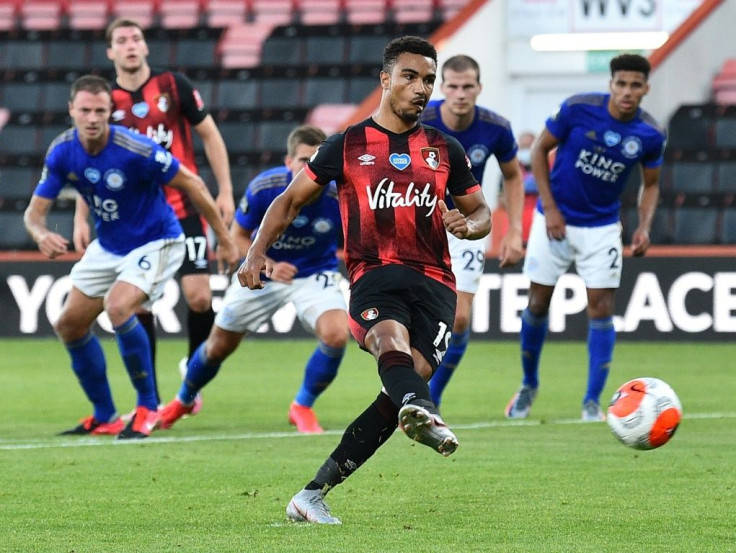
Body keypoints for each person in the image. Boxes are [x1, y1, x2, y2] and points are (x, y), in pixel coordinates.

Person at [239, 36, 491, 524]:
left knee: (403, 382)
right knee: (386, 340)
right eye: (411, 77)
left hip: (436, 282)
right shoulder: (346, 145)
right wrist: (256, 253)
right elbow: (289, 201)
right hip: (373, 273)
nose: (422, 89)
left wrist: (469, 225)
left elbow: (480, 212)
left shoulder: (445, 149)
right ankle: (423, 408)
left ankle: (312, 494)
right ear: (386, 79)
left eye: (429, 81)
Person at [23, 75, 238, 439]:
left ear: (111, 112)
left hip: (157, 240)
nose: (92, 118)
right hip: (109, 246)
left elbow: (194, 184)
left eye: (100, 111)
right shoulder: (62, 151)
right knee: (68, 325)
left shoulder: (135, 149)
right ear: (71, 110)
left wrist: (224, 237)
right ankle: (105, 414)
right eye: (85, 110)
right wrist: (41, 234)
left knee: (118, 307)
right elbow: (33, 214)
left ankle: (146, 408)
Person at [73, 18, 235, 408]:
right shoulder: (104, 101)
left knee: (198, 297)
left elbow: (210, 134)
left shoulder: (173, 85)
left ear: (145, 47)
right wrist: (80, 216)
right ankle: (151, 397)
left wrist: (225, 189)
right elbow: (88, 161)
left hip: (183, 206)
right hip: (135, 219)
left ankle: (190, 379)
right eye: (121, 40)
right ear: (111, 51)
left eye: (136, 38)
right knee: (136, 304)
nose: (130, 45)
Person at [156, 125, 348, 434]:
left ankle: (302, 406)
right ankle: (184, 399)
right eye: (303, 160)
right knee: (218, 347)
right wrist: (270, 265)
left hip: (314, 273)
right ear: (288, 162)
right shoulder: (266, 187)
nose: (311, 167)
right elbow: (238, 238)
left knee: (337, 334)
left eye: (318, 159)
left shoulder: (338, 192)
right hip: (263, 273)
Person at [505, 53, 666, 422]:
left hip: (603, 228)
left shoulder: (651, 133)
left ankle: (593, 401)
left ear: (645, 89)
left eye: (635, 85)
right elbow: (539, 149)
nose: (627, 92)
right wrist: (551, 207)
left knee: (602, 308)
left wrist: (644, 226)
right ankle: (529, 385)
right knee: (537, 303)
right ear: (611, 84)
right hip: (553, 221)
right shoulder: (578, 108)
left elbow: (652, 184)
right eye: (621, 84)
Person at [419, 54, 524, 408]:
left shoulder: (496, 127)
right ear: (441, 87)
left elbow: (512, 175)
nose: (460, 93)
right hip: (415, 221)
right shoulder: (420, 117)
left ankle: (432, 396)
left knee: (459, 318)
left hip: (466, 224)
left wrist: (514, 231)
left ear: (479, 87)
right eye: (453, 86)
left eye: (468, 86)